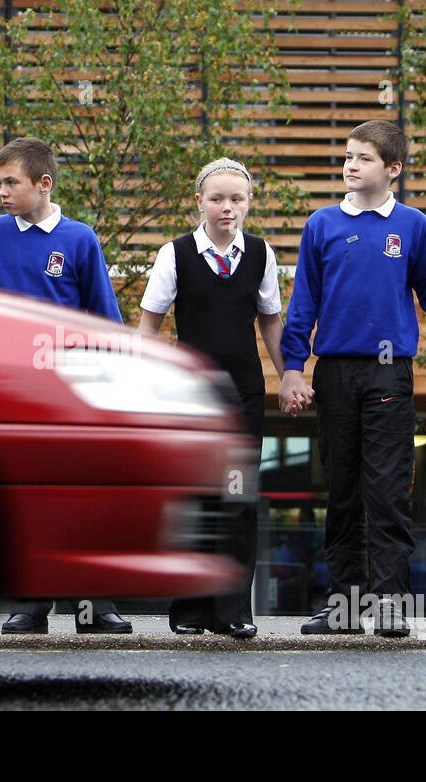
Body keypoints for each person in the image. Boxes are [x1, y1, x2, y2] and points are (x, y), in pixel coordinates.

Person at [279, 121, 426, 636]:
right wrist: (294, 366)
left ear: (393, 169)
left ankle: (388, 605)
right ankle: (344, 606)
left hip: (389, 373)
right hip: (334, 373)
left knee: (385, 491)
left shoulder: (412, 226)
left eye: (363, 158)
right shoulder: (321, 226)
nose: (350, 165)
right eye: (348, 155)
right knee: (342, 492)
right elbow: (303, 305)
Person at [0, 136, 132, 634]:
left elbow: (104, 317)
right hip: (14, 389)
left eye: (10, 183)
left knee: (83, 494)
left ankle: (95, 604)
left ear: (43, 183)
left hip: (71, 389)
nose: (2, 192)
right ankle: (30, 605)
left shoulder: (80, 239)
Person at [137, 157, 285, 638]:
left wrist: (291, 377)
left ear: (248, 204)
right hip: (190, 395)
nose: (227, 207)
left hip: (243, 393)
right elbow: (149, 325)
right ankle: (190, 612)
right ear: (199, 202)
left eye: (236, 199)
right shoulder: (174, 254)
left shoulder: (262, 254)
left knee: (238, 498)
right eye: (217, 198)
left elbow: (270, 322)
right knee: (196, 495)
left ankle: (233, 611)